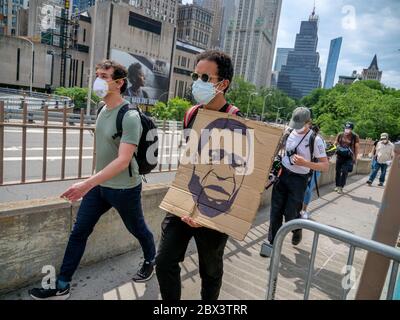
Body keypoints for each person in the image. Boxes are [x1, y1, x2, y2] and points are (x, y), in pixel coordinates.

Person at [29, 60, 156, 300]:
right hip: (100, 186)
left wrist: (86, 184)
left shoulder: (129, 116)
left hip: (124, 188)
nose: (98, 80)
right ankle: (62, 285)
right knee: (79, 232)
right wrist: (93, 181)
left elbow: (123, 160)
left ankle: (151, 258)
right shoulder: (101, 109)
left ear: (119, 83)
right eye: (97, 75)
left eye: (104, 76)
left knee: (136, 228)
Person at [155, 50, 243, 301]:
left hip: (214, 205)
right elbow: (188, 158)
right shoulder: (191, 113)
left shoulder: (235, 119)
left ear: (222, 84)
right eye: (196, 75)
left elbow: (233, 174)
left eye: (205, 77)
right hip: (183, 201)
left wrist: (203, 213)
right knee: (164, 262)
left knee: (210, 270)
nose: (197, 82)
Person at [261, 107, 329, 258]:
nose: (297, 127)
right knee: (276, 211)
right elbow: (279, 148)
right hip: (283, 174)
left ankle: (297, 228)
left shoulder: (315, 140)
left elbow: (325, 166)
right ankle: (272, 243)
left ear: (308, 122)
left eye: (300, 124)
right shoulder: (289, 132)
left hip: (299, 179)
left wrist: (306, 163)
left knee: (290, 213)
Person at [301, 125, 326, 220]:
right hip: (305, 167)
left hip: (315, 169)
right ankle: (299, 209)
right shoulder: (305, 139)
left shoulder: (319, 140)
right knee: (304, 189)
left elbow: (323, 157)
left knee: (308, 189)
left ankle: (303, 210)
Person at [334, 122, 360, 194]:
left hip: (349, 157)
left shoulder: (355, 136)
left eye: (349, 128)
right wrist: (334, 147)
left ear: (351, 129)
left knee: (345, 171)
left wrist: (355, 158)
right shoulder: (340, 134)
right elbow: (335, 142)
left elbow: (357, 148)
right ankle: (337, 185)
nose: (347, 129)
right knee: (338, 171)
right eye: (346, 128)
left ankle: (341, 187)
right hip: (340, 155)